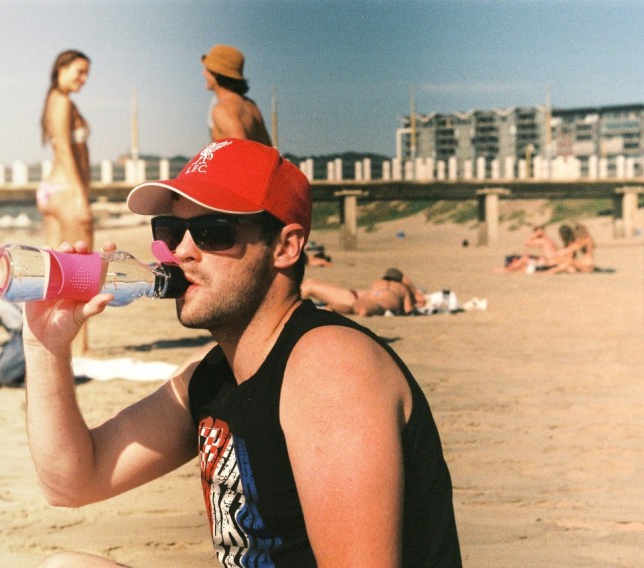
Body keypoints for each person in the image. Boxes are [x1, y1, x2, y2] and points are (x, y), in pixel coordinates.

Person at [23, 139, 461, 567]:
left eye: (213, 232)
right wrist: (45, 344)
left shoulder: (331, 368)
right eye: (171, 231)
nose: (180, 252)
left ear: (285, 247)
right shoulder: (211, 378)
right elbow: (72, 482)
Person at [39, 49, 93, 353]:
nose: (83, 79)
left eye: (87, 74)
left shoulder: (54, 100)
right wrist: (80, 194)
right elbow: (64, 150)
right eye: (79, 71)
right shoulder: (62, 102)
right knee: (82, 271)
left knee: (56, 272)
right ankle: (82, 348)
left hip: (52, 189)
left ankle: (56, 341)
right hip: (64, 189)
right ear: (61, 67)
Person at [201, 44, 272, 145]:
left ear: (216, 74)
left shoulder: (223, 109)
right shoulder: (251, 105)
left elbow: (244, 153)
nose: (203, 73)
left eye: (207, 69)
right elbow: (269, 150)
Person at [301, 268, 426, 316]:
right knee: (358, 309)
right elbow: (408, 310)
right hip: (378, 305)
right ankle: (332, 309)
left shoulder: (377, 282)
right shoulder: (402, 289)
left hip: (366, 299)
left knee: (357, 307)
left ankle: (331, 309)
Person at [494, 225, 559, 273]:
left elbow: (526, 242)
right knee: (523, 267)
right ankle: (508, 270)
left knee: (523, 260)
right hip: (551, 263)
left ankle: (505, 270)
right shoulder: (550, 240)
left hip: (548, 264)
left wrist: (535, 234)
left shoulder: (542, 240)